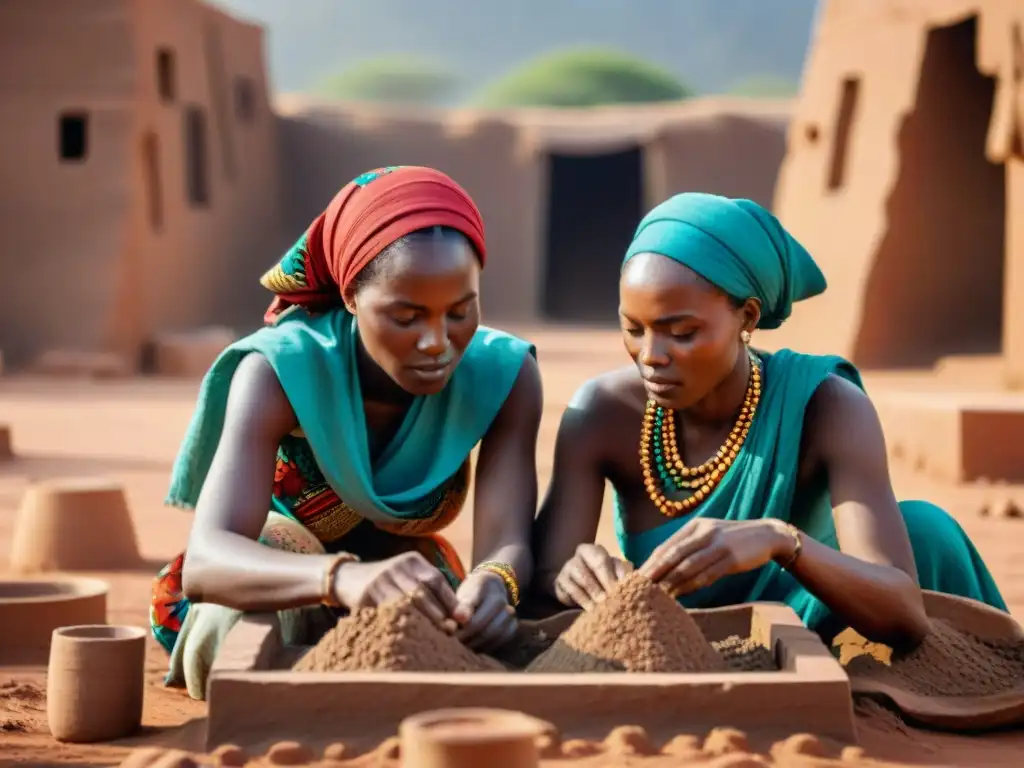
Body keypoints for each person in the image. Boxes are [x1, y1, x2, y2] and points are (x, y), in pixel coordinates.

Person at [532, 192, 1006, 649]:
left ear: (748, 317)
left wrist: (781, 542)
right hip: (681, 655)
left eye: (682, 332)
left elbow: (903, 613)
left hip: (832, 639)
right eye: (633, 330)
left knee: (924, 531)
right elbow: (541, 588)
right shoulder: (602, 415)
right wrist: (574, 575)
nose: (651, 356)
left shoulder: (825, 407)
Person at [150, 166, 542, 700]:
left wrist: (496, 581)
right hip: (276, 579)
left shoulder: (504, 375)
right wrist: (340, 579)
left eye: (460, 311)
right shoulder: (281, 372)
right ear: (352, 297)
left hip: (411, 585)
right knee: (232, 631)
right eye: (406, 316)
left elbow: (507, 537)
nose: (437, 342)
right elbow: (208, 559)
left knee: (490, 645)